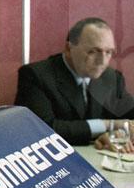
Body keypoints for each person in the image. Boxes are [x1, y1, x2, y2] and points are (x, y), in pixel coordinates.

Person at [15, 17, 134, 150]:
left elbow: (129, 115)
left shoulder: (111, 77)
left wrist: (116, 132)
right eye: (93, 51)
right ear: (68, 49)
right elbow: (42, 130)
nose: (102, 61)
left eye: (109, 52)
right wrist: (108, 125)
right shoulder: (36, 75)